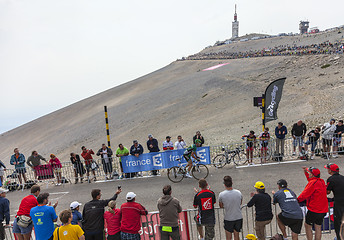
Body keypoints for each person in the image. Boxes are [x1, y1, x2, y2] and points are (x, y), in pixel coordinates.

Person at [297, 167, 328, 240]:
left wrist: (297, 200)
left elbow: (304, 194)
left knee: (307, 226)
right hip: (323, 209)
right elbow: (312, 180)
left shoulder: (313, 183)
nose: (308, 173)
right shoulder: (321, 181)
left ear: (312, 174)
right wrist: (306, 173)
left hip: (314, 209)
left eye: (309, 173)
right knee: (318, 227)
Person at [219, 176, 242, 240]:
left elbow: (221, 206)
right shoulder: (238, 192)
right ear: (232, 183)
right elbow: (240, 203)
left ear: (224, 184)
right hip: (238, 217)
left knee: (228, 237)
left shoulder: (221, 194)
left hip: (228, 218)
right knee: (236, 236)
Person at [325, 163, 344, 240]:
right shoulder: (343, 177)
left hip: (338, 202)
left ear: (330, 170)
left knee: (338, 222)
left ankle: (339, 237)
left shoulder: (331, 179)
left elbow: (328, 192)